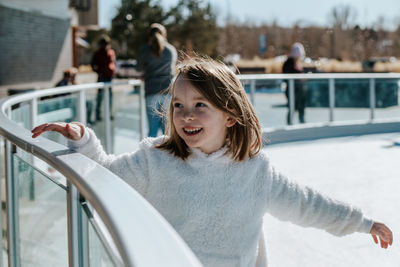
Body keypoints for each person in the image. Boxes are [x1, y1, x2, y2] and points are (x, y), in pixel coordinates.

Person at [31, 57, 393, 267]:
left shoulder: (256, 172)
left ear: (231, 115)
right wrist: (83, 139)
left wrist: (361, 222)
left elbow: (307, 205)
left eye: (200, 106)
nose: (187, 116)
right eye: (178, 106)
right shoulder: (154, 161)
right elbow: (107, 175)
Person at [136, 23, 177, 137]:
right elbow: (172, 70)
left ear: (149, 36)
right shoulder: (171, 50)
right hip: (167, 91)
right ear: (164, 35)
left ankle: (150, 154)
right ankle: (169, 155)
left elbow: (138, 68)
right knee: (167, 130)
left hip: (151, 91)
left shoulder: (145, 50)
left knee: (152, 131)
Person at [91, 35, 116, 122]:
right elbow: (93, 65)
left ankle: (109, 114)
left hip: (109, 78)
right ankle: (98, 115)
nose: (105, 45)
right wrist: (99, 72)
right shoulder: (97, 53)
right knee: (99, 97)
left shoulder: (111, 52)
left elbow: (113, 63)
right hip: (101, 77)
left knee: (110, 97)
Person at [282, 42, 307, 124]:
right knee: (292, 107)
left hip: (300, 90)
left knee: (301, 107)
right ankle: (290, 124)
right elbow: (286, 75)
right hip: (292, 90)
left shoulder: (298, 63)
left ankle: (301, 121)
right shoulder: (288, 63)